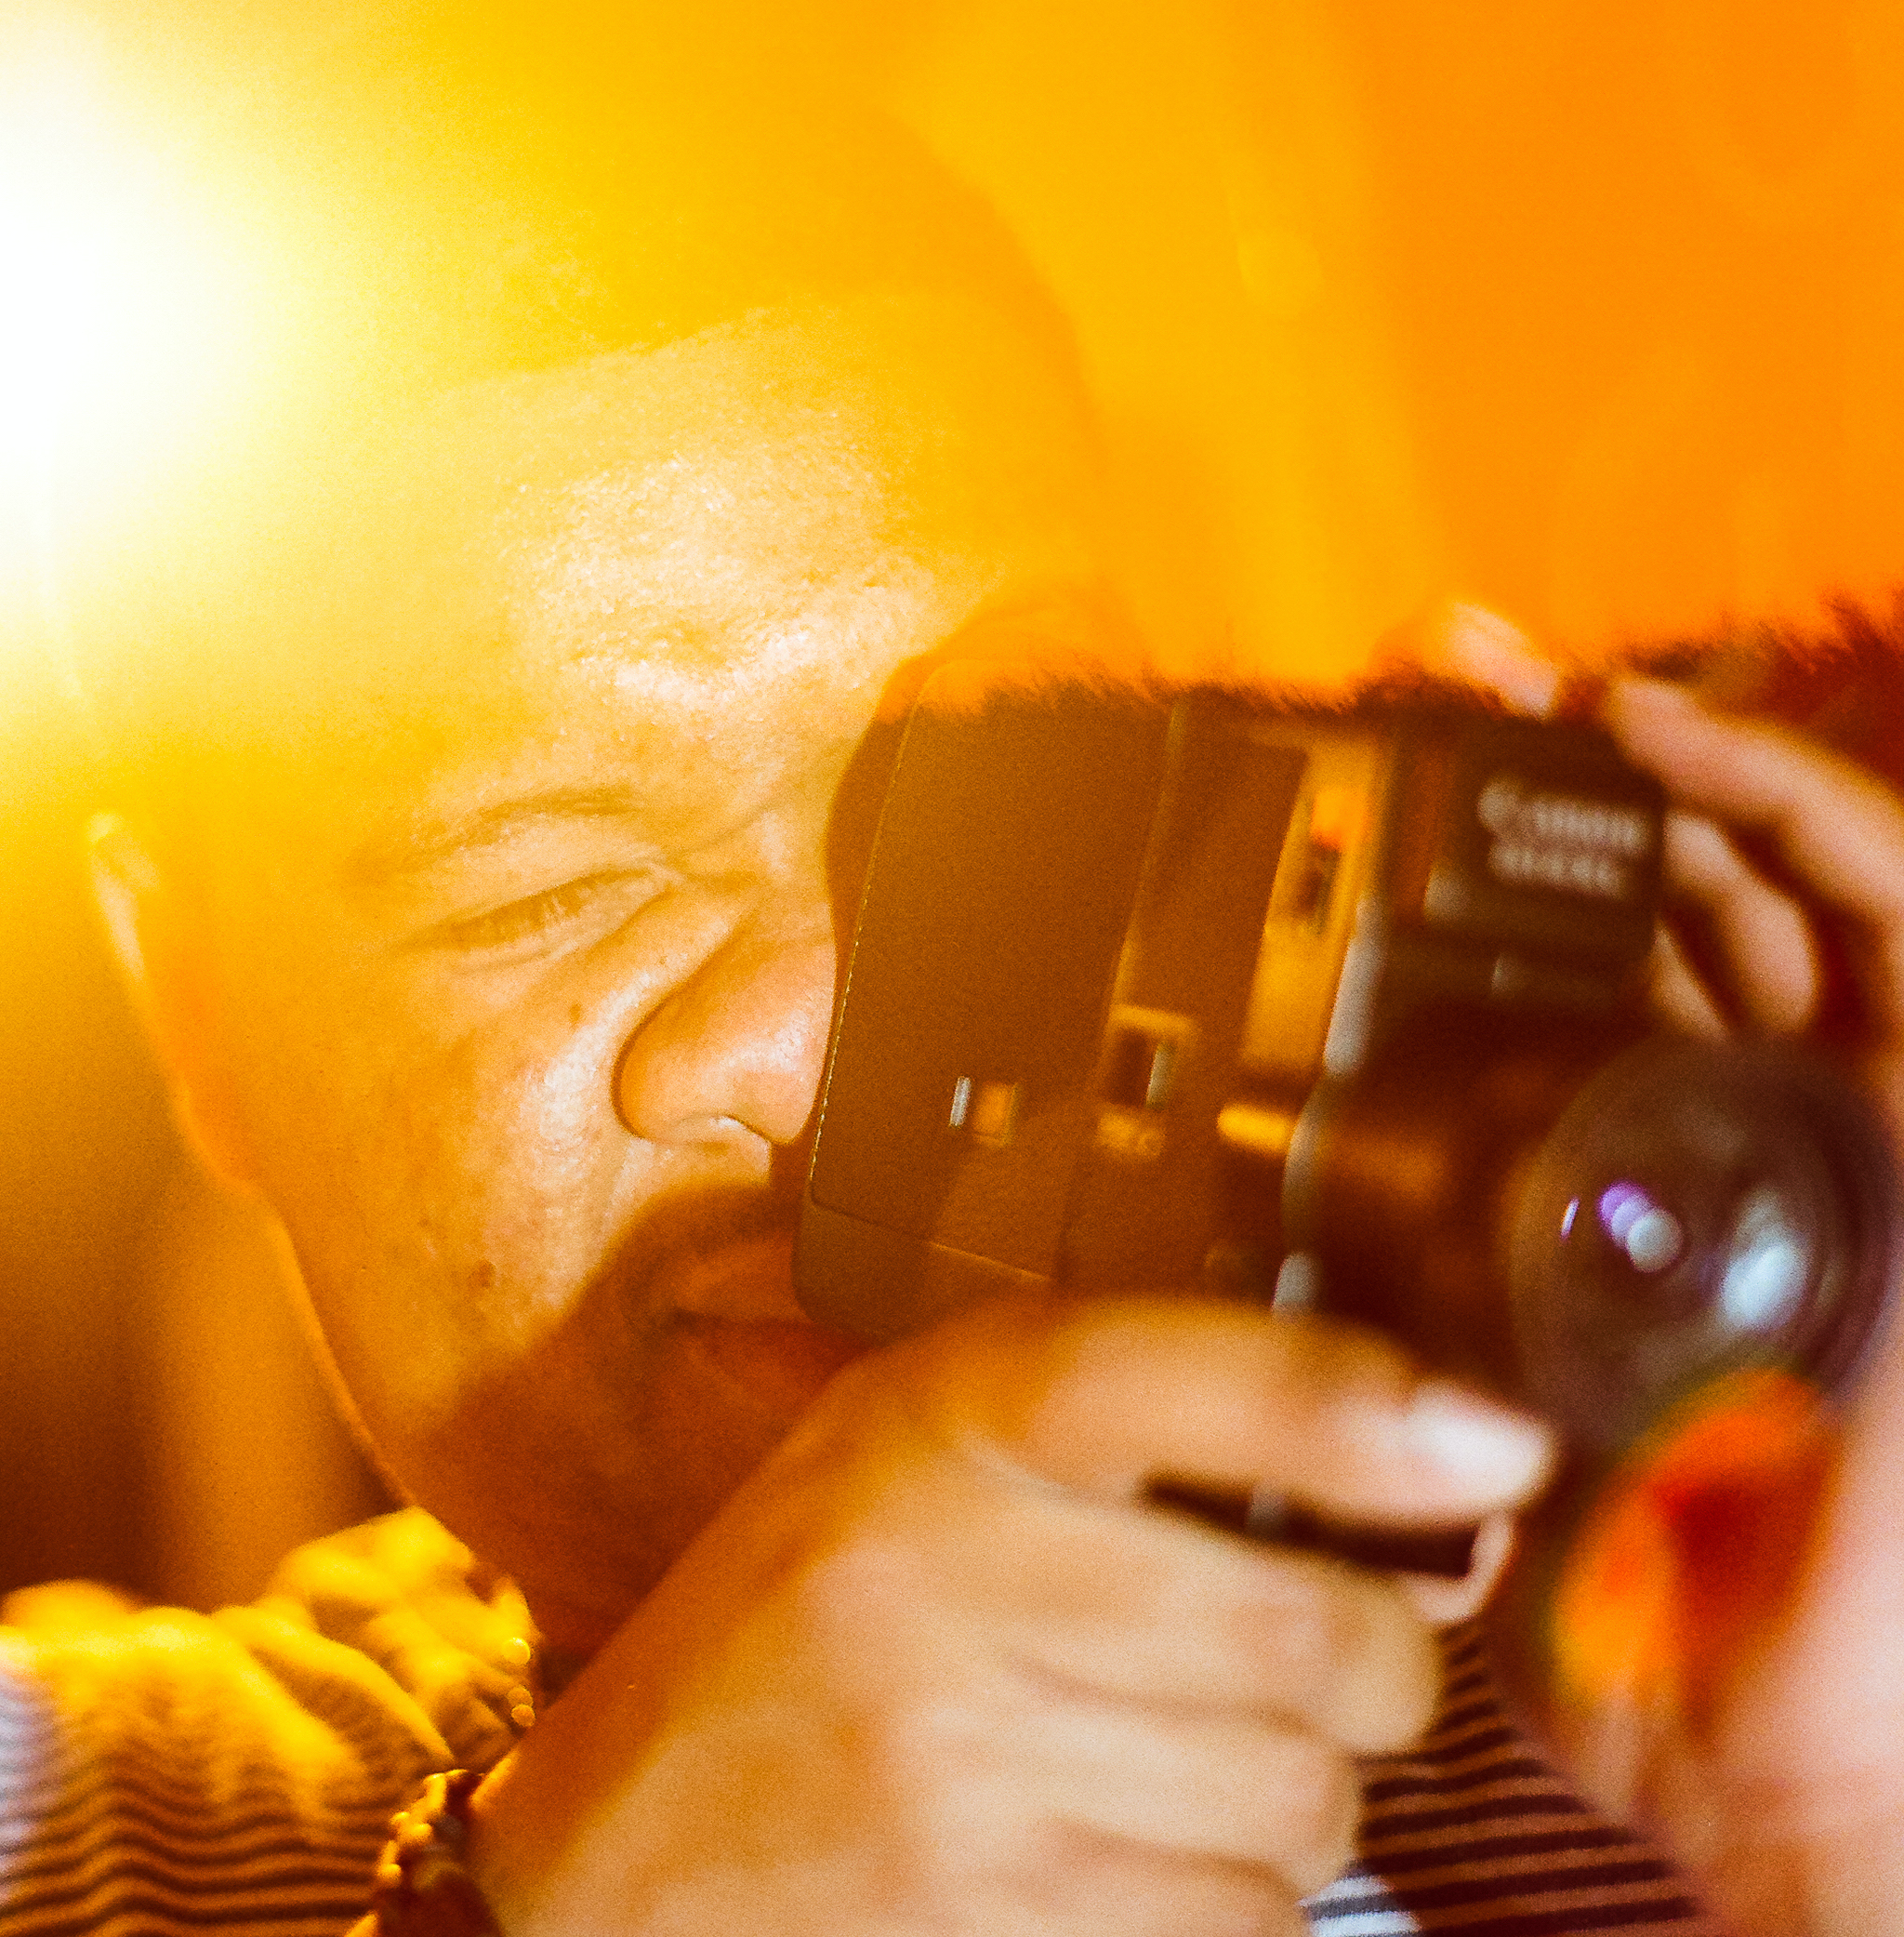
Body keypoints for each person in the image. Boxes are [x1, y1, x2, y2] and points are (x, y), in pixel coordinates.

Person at [5, 29, 1900, 1937]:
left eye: (999, 798)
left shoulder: (1763, 1595)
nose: (823, 1018)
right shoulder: (69, 1820)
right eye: (548, 888)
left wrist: (1836, 1844)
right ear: (191, 1013)